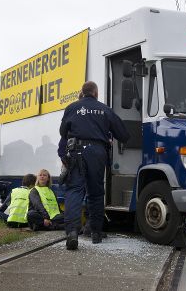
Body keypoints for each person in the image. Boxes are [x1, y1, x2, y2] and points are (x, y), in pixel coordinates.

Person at [59, 81, 130, 250]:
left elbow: (63, 132)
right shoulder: (105, 109)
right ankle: (96, 232)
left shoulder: (72, 107)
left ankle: (72, 233)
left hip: (76, 152)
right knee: (96, 192)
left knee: (75, 190)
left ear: (82, 92)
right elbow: (124, 134)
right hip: (98, 153)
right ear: (96, 93)